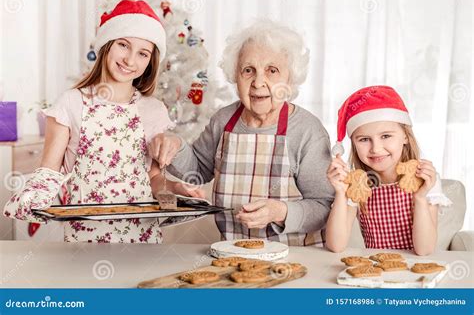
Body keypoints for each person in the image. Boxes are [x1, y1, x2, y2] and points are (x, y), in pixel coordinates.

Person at [4, 0, 203, 243]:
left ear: (150, 61)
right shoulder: (71, 103)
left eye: (143, 53)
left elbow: (152, 180)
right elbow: (49, 172)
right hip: (85, 236)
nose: (130, 60)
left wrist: (174, 189)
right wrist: (30, 202)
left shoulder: (154, 110)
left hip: (143, 236)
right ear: (107, 45)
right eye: (123, 45)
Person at [149, 20, 334, 246]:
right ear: (235, 76)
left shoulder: (307, 131)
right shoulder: (223, 120)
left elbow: (324, 206)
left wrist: (281, 212)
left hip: (295, 259)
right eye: (248, 70)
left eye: (272, 71)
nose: (258, 82)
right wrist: (176, 145)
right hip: (233, 254)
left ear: (290, 78)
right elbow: (197, 171)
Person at [325, 86, 451, 255]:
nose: (376, 149)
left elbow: (424, 250)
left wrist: (420, 198)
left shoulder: (424, 180)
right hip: (375, 269)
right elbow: (335, 245)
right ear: (353, 144)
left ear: (405, 136)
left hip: (413, 270)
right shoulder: (356, 185)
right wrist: (341, 193)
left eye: (385, 136)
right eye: (364, 139)